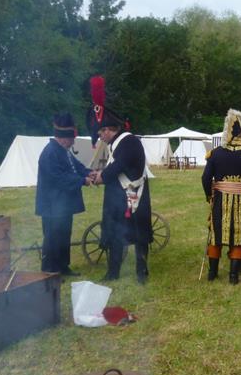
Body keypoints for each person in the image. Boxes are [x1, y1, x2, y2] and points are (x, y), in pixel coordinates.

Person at [88, 76, 153, 284]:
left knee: (139, 236)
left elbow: (119, 165)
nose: (100, 136)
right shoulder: (117, 143)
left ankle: (141, 272)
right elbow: (114, 165)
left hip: (132, 195)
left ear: (110, 129)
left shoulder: (128, 141)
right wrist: (100, 173)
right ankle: (113, 272)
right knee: (116, 234)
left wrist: (101, 177)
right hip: (119, 197)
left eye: (102, 131)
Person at [202, 108, 241, 284]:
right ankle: (233, 276)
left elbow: (205, 178)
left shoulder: (216, 153)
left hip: (220, 200)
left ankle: (212, 273)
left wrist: (209, 195)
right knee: (239, 237)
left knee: (216, 235)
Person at [36, 113, 95, 277]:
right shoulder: (50, 153)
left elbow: (76, 166)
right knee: (52, 238)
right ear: (63, 139)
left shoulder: (63, 151)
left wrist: (89, 173)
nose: (73, 142)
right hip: (52, 205)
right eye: (71, 139)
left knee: (64, 235)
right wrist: (82, 181)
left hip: (62, 204)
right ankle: (50, 271)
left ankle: (63, 267)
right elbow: (59, 178)